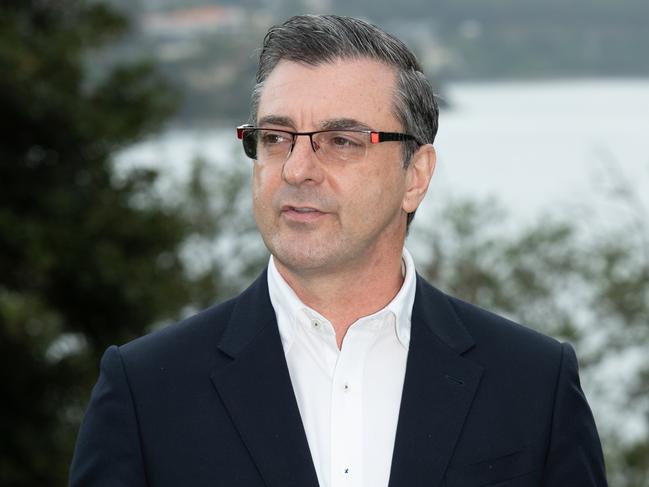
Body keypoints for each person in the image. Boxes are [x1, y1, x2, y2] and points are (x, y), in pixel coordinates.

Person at [69, 14, 608, 487]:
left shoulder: (534, 384)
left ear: (415, 176)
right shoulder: (145, 391)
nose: (298, 168)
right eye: (277, 138)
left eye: (342, 141)